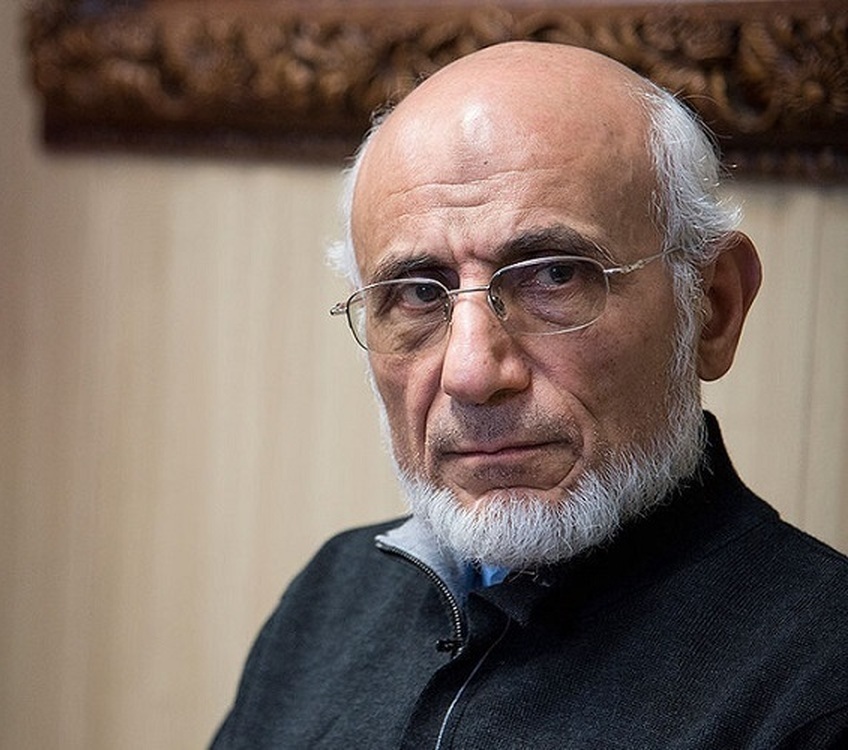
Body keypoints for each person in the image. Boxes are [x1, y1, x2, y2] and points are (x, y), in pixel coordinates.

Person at [211, 41, 848, 749]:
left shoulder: (820, 682)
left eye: (554, 276)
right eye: (418, 293)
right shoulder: (333, 599)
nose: (472, 375)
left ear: (713, 307)